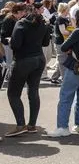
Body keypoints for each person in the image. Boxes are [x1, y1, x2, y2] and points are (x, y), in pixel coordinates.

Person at [47, 7, 79, 137]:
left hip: (75, 65)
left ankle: (62, 127)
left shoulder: (78, 31)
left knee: (65, 96)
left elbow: (64, 47)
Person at [4, 8, 51, 137]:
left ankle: (20, 125)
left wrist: (9, 41)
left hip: (23, 60)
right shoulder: (44, 24)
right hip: (39, 59)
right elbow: (46, 42)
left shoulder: (21, 24)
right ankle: (32, 125)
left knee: (13, 93)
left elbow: (15, 45)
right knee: (33, 91)